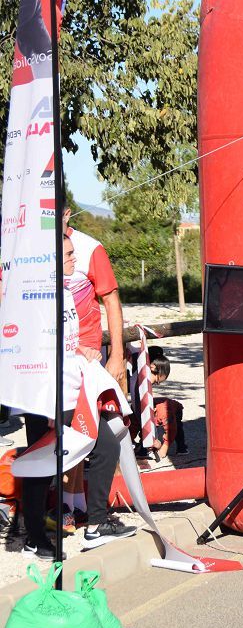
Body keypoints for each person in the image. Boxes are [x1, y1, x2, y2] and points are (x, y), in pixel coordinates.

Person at [19, 236, 136, 558]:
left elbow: (64, 338)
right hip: (43, 390)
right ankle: (36, 538)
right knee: (42, 462)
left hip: (71, 383)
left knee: (104, 446)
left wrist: (80, 350)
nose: (75, 259)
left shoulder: (68, 291)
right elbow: (31, 342)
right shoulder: (33, 295)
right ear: (50, 261)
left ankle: (95, 525)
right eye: (69, 255)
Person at [57, 206, 126, 533]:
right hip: (52, 360)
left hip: (87, 359)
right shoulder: (31, 250)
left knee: (93, 434)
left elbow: (111, 300)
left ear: (67, 214)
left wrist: (116, 355)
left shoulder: (89, 248)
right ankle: (70, 510)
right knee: (66, 434)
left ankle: (82, 509)